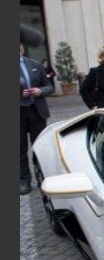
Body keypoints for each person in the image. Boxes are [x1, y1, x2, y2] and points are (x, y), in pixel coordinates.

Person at [20, 40, 55, 195]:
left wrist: (40, 91)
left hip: (37, 111)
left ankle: (42, 177)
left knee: (40, 147)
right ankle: (23, 181)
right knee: (20, 149)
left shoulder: (34, 64)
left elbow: (49, 86)